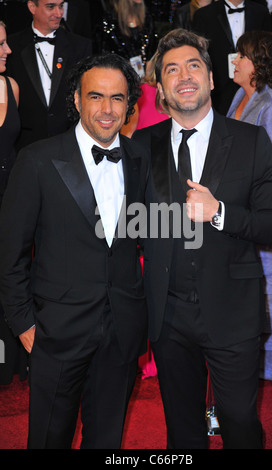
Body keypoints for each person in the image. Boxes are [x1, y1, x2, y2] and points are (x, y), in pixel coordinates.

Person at [132, 28, 272, 449]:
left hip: (232, 311)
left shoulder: (249, 140)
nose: (184, 75)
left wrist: (219, 213)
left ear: (210, 77)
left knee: (239, 423)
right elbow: (125, 223)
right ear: (161, 89)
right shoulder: (142, 146)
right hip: (168, 316)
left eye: (193, 65)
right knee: (182, 431)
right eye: (171, 69)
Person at [0, 53, 148, 449]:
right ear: (78, 101)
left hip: (121, 330)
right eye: (95, 96)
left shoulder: (139, 159)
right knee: (49, 438)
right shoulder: (37, 160)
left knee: (106, 441)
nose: (106, 109)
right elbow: (9, 251)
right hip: (57, 331)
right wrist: (24, 324)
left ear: (129, 105)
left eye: (117, 98)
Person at [227, 31, 272, 383]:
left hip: (263, 214)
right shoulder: (241, 95)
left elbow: (270, 168)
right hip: (238, 212)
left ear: (259, 63)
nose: (235, 61)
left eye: (242, 56)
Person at [5, 0, 92, 151]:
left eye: (60, 6)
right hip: (24, 146)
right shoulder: (10, 47)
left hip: (69, 143)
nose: (58, 13)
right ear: (32, 7)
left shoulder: (80, 46)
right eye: (51, 7)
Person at [0, 20, 28, 386]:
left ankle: (12, 359)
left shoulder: (12, 86)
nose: (7, 50)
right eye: (1, 44)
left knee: (12, 277)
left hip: (10, 200)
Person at [192, 0, 272, 115]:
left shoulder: (260, 12)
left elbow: (267, 51)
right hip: (218, 85)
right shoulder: (203, 14)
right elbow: (199, 55)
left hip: (253, 84)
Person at [93, 0, 157, 80]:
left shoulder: (147, 18)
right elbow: (104, 55)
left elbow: (151, 52)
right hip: (117, 78)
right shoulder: (110, 20)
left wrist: (147, 79)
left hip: (143, 79)